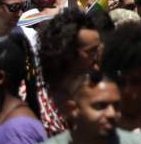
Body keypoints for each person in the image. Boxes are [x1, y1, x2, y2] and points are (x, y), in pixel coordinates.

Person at [35, 9, 103, 137]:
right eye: (92, 52)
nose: (97, 60)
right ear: (67, 53)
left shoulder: (97, 87)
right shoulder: (33, 98)